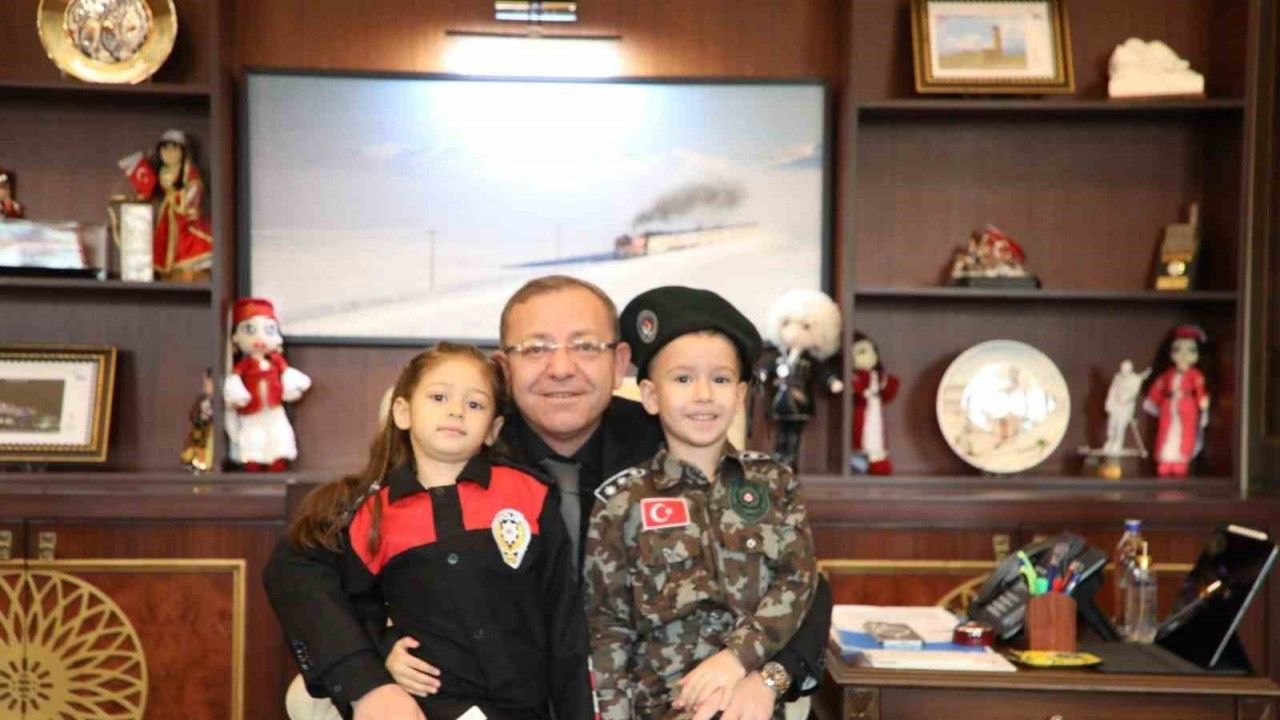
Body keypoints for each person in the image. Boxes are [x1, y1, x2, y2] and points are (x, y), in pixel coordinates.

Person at [264, 275, 831, 720]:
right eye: (536, 349)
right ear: (504, 368)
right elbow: (303, 566)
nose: (561, 369)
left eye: (584, 347)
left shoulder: (672, 438)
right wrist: (367, 676)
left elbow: (796, 575)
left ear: (620, 363)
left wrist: (767, 677)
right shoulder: (457, 441)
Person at [280, 342, 591, 720]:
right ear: (403, 412)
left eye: (474, 404)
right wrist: (381, 650)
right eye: (439, 397)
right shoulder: (371, 512)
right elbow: (352, 604)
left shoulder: (530, 494)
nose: (456, 411)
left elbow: (563, 617)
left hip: (527, 706)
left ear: (493, 430)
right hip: (432, 706)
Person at [586, 286, 817, 720]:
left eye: (721, 379)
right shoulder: (621, 503)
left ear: (741, 395)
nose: (704, 394)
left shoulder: (775, 483)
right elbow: (608, 631)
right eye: (683, 379)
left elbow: (798, 582)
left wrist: (738, 658)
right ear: (651, 396)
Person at [224, 297, 312, 471]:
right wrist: (237, 396)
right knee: (253, 437)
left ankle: (277, 461)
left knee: (278, 434)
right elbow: (234, 379)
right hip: (252, 410)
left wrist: (292, 389)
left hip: (274, 408)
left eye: (268, 330)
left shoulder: (276, 362)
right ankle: (252, 463)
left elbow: (287, 373)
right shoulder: (244, 365)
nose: (260, 338)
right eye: (250, 330)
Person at [1142, 325, 1210, 477]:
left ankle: (1180, 461)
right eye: (1178, 350)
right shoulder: (1167, 374)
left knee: (1185, 433)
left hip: (1187, 407)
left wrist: (1202, 401)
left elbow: (1200, 390)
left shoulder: (1195, 375)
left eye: (1190, 351)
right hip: (1168, 407)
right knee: (1166, 432)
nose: (1183, 355)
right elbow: (1158, 387)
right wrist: (1152, 400)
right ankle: (1165, 460)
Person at [152, 129, 213, 280]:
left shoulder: (188, 170)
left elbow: (195, 186)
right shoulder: (164, 170)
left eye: (174, 149)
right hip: (169, 211)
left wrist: (185, 204)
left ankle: (188, 270)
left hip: (183, 211)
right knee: (165, 241)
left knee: (188, 239)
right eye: (165, 149)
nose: (169, 153)